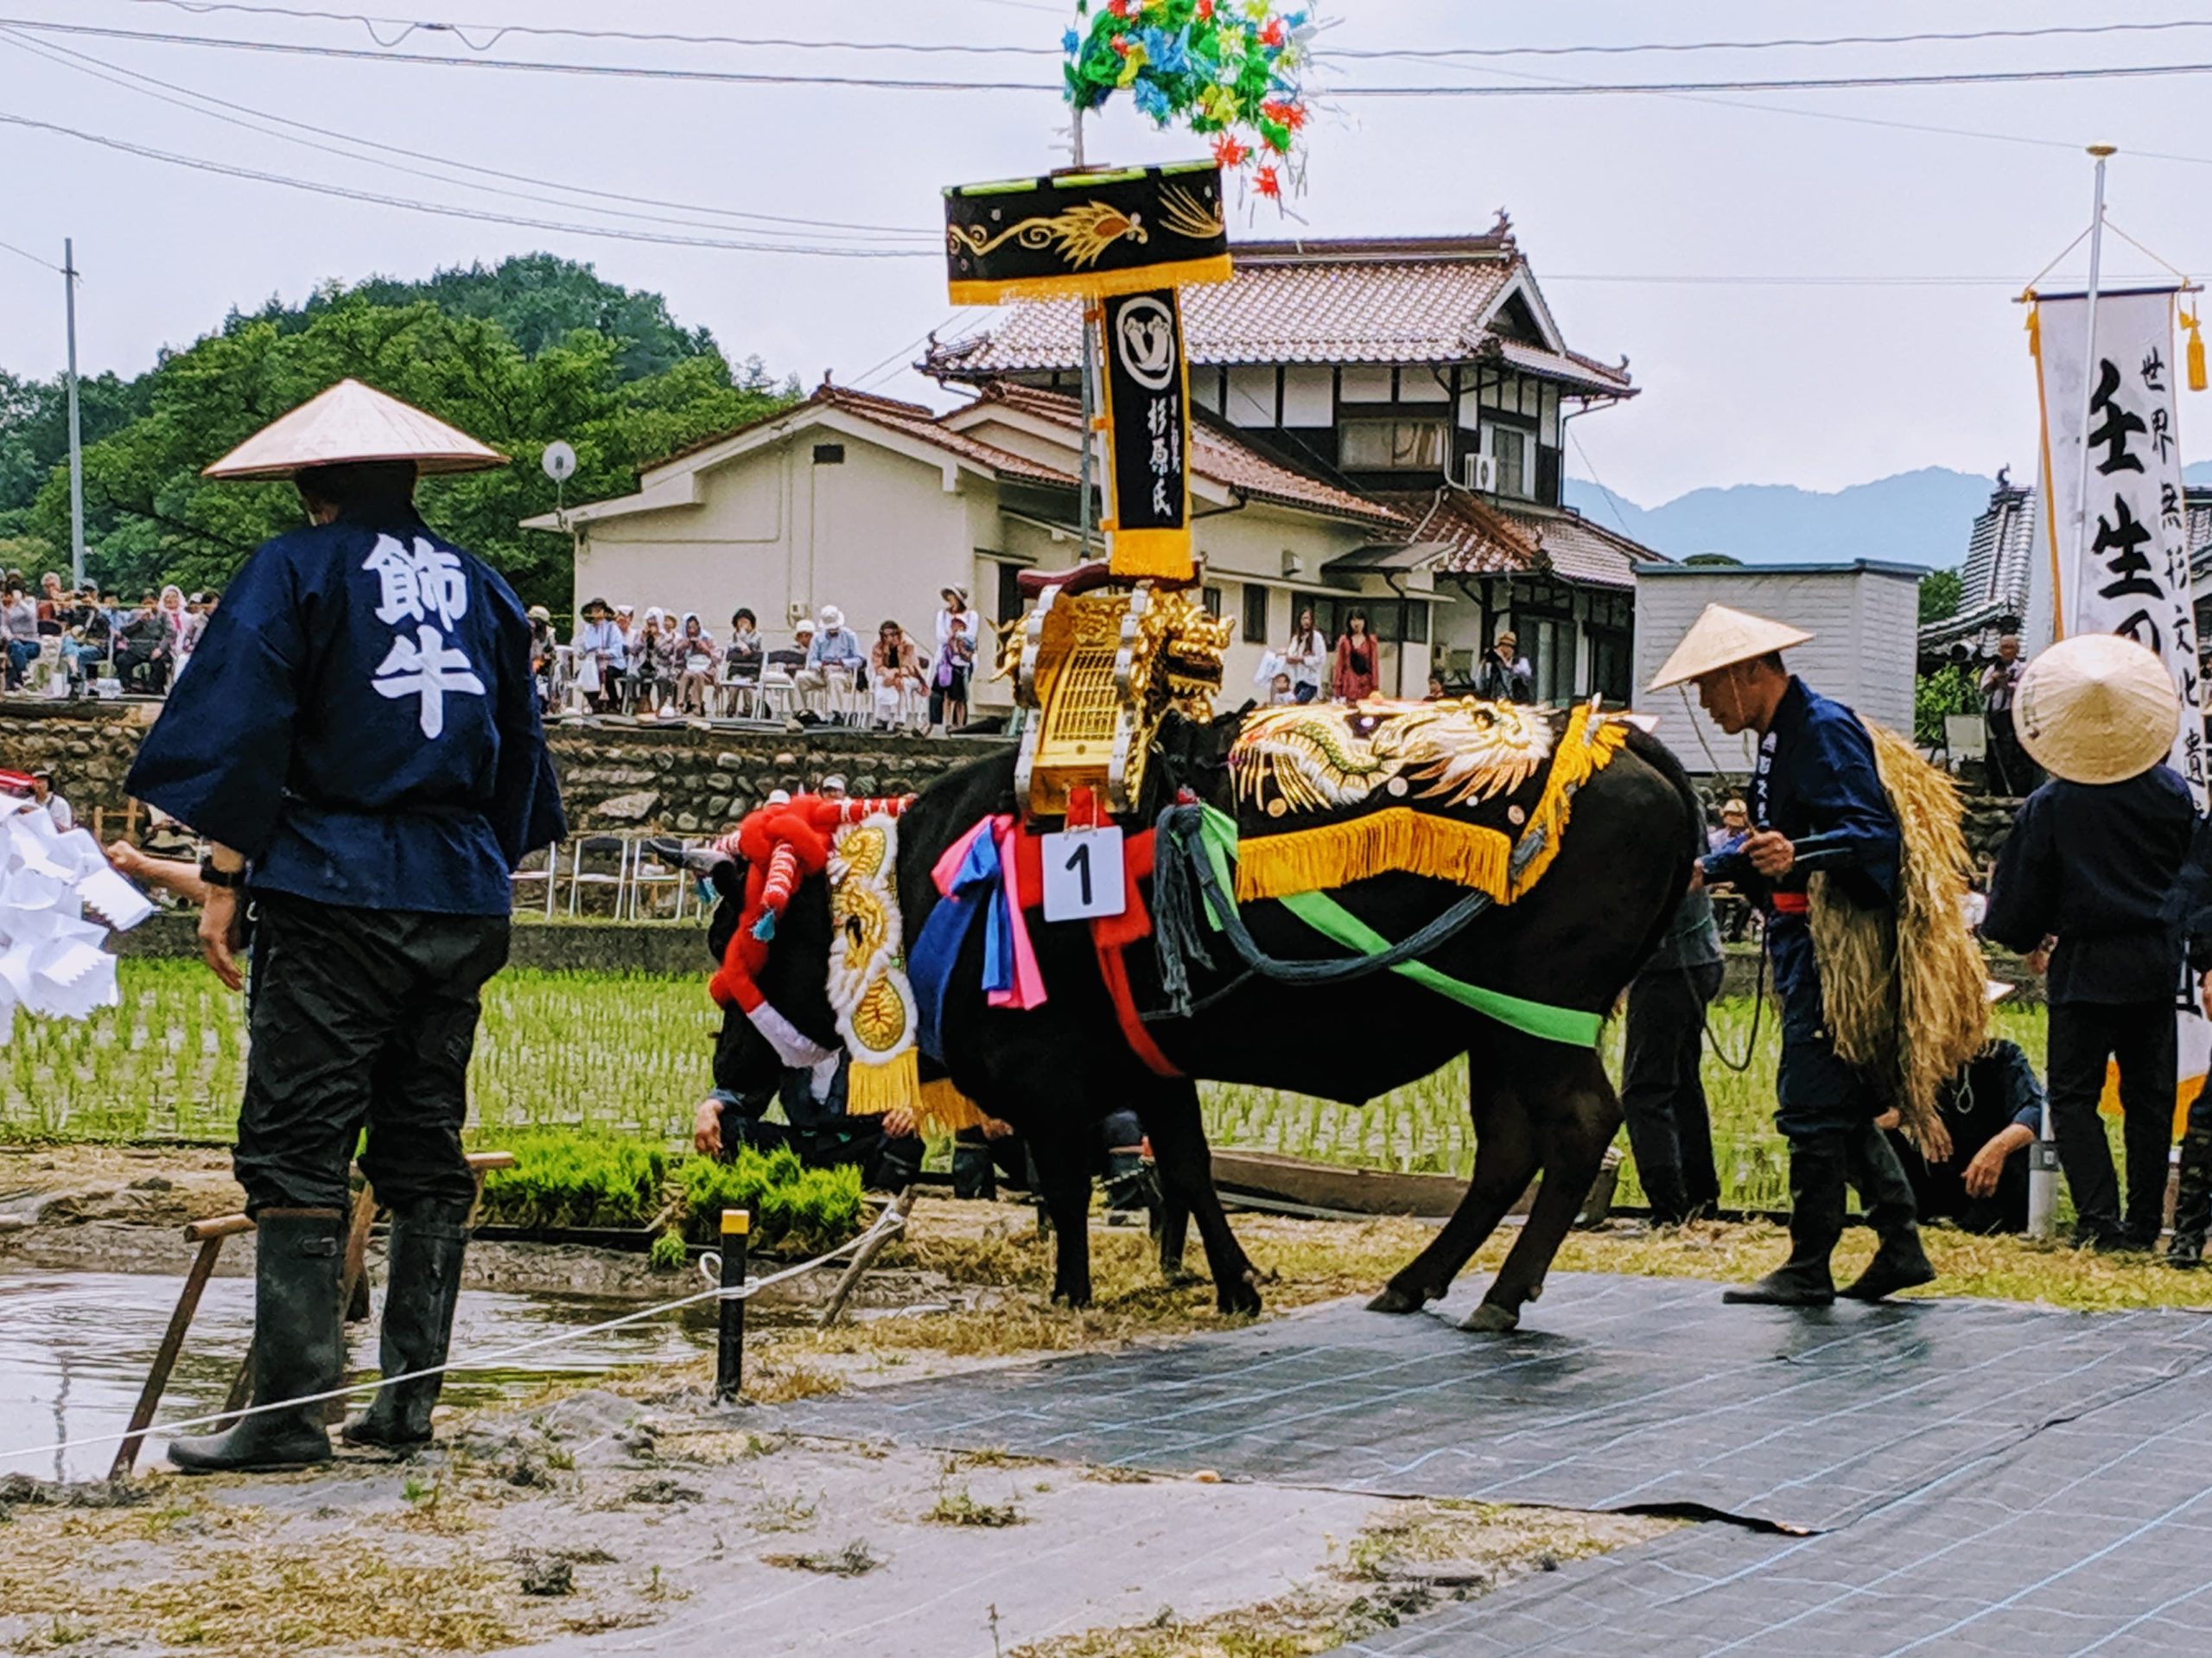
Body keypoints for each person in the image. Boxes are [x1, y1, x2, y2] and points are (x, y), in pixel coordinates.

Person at [124, 378, 564, 1473]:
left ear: (311, 484)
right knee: (423, 1138)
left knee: (297, 1139)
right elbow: (520, 764)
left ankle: (289, 1411)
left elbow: (245, 731)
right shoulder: (488, 588)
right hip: (460, 887)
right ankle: (407, 1401)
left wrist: (224, 871)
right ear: (412, 481)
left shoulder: (295, 569)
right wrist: (463, 863)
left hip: (333, 885)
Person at [1652, 602, 1935, 1306]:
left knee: (1811, 1104)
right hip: (1800, 940)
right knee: (1831, 1103)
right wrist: (1711, 868)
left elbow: (1873, 839)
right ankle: (1899, 1243)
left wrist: (1799, 852)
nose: (1708, 704)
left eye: (1713, 687)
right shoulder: (1783, 737)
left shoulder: (1822, 730)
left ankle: (1811, 1261)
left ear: (1751, 673)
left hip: (1832, 949)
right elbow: (1770, 849)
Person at [1981, 634, 2193, 1253]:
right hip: (2156, 957)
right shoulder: (2171, 794)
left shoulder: (2053, 803)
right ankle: (2146, 1221)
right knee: (2149, 1098)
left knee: (2073, 1096)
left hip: (2084, 959)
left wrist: (2026, 937)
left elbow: (2019, 895)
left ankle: (2099, 1219)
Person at [1620, 882, 1724, 1224]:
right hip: (1695, 958)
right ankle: (1699, 1198)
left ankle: (1669, 1209)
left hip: (1668, 964)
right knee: (1680, 1084)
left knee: (1644, 1090)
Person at [1879, 1024, 2047, 1236]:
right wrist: (1914, 1114)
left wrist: (1998, 1148)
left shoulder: (2002, 1055)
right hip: (1933, 1178)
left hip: (1991, 1184)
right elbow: (1869, 1116)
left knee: (2018, 1146)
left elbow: (2036, 1111)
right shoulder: (1912, 1059)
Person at [1980, 634, 2037, 796]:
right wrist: (1994, 680)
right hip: (1995, 716)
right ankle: (1995, 788)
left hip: (2014, 715)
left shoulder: (2022, 669)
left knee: (2013, 754)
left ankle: (2016, 790)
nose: (2007, 651)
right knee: (1994, 752)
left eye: (2010, 647)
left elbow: (2026, 689)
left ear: (2017, 650)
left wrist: (2008, 685)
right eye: (2004, 647)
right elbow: (1983, 689)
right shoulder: (1993, 669)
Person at [799, 605, 866, 712]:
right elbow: (812, 660)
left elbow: (859, 659)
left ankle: (837, 712)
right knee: (801, 677)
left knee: (834, 679)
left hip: (843, 674)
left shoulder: (850, 636)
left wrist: (842, 663)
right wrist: (821, 666)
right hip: (821, 673)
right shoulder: (817, 638)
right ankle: (801, 711)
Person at [574, 597, 626, 714]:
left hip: (613, 662)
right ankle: (595, 703)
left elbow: (617, 650)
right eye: (594, 610)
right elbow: (583, 647)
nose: (596, 612)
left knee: (607, 673)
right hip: (593, 663)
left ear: (604, 611)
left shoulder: (612, 628)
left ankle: (613, 702)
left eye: (599, 609)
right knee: (580, 675)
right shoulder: (588, 629)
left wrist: (603, 653)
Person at [869, 619, 925, 726]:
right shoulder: (878, 645)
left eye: (892, 635)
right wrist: (886, 672)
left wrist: (895, 673)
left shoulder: (908, 644)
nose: (889, 638)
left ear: (898, 634)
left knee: (902, 684)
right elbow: (877, 665)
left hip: (908, 674)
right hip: (887, 674)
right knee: (879, 681)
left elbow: (909, 666)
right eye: (885, 636)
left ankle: (900, 719)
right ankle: (882, 718)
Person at [932, 613, 976, 730]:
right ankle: (948, 722)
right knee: (948, 698)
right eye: (953, 625)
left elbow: (968, 655)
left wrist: (960, 646)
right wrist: (951, 641)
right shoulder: (948, 641)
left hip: (962, 670)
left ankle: (960, 723)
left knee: (960, 699)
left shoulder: (969, 641)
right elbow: (947, 654)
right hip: (950, 670)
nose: (955, 628)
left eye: (959, 625)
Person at [673, 613, 716, 716]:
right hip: (689, 668)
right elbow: (676, 659)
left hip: (706, 670)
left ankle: (696, 706)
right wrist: (682, 648)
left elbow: (717, 657)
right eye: (689, 628)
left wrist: (706, 650)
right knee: (685, 675)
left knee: (698, 675)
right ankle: (680, 705)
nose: (692, 630)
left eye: (694, 627)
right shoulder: (683, 639)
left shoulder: (707, 638)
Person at [1474, 629, 1534, 703]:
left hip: (1516, 703)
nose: (1505, 649)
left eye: (1508, 646)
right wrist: (1484, 663)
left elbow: (1526, 676)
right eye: (1502, 645)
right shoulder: (1493, 665)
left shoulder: (1521, 661)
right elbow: (1480, 686)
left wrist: (1505, 662)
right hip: (1495, 703)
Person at [1332, 608, 1377, 702]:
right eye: (1353, 620)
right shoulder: (1344, 640)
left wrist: (1375, 685)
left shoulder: (1370, 641)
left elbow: (1374, 664)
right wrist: (1337, 685)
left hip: (1365, 684)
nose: (1357, 623)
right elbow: (1339, 664)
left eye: (1360, 619)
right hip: (1348, 684)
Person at [1283, 607, 1327, 704]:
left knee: (1297, 704)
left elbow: (1321, 659)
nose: (1306, 621)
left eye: (1308, 618)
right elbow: (1290, 657)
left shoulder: (1317, 637)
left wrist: (1303, 660)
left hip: (1311, 681)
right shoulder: (1296, 638)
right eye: (1304, 618)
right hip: (1298, 680)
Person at [2, 580, 38, 689]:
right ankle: (24, 675)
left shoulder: (30, 602)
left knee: (17, 651)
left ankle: (18, 679)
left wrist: (20, 602)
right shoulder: (6, 608)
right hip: (14, 642)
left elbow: (32, 615)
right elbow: (3, 626)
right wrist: (11, 636)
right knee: (15, 647)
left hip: (32, 642)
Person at [934, 585, 979, 663]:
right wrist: (951, 637)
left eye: (952, 596)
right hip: (945, 657)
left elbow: (971, 636)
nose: (949, 599)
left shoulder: (972, 615)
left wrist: (958, 636)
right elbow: (940, 636)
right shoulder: (942, 614)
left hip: (964, 658)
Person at [25, 766, 73, 831]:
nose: (41, 785)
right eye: (38, 781)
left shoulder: (60, 803)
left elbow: (66, 829)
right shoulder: (27, 803)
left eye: (44, 781)